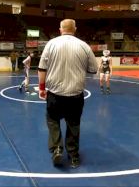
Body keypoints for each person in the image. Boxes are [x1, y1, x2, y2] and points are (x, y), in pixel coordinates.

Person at [38, 19, 98, 168]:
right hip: (75, 95)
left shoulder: (50, 44)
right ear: (75, 29)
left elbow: (42, 69)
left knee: (52, 121)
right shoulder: (84, 46)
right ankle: (73, 156)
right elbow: (93, 69)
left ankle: (57, 148)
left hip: (54, 95)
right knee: (73, 124)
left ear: (60, 29)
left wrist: (41, 88)